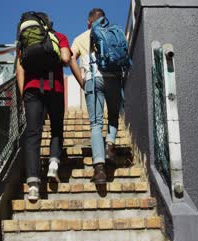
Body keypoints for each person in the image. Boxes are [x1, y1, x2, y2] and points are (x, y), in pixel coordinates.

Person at [16, 12, 71, 201]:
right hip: (54, 88)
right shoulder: (60, 37)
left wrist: (23, 95)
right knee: (56, 128)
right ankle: (53, 165)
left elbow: (20, 68)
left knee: (33, 134)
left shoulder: (24, 41)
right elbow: (65, 59)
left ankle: (32, 186)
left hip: (32, 90)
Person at [69, 8, 122, 184]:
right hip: (113, 78)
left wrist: (81, 81)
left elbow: (70, 59)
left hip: (93, 79)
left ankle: (99, 170)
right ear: (104, 19)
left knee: (96, 124)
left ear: (88, 22)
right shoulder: (114, 32)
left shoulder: (80, 37)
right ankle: (110, 145)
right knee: (114, 115)